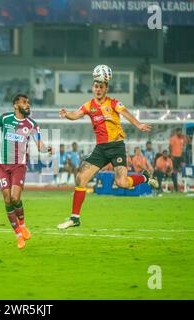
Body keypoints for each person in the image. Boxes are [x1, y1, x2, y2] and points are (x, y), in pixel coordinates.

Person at [57, 65, 158, 229]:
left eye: (101, 86)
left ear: (106, 88)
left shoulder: (113, 103)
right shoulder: (89, 105)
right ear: (93, 87)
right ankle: (75, 218)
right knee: (80, 178)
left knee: (122, 182)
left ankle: (145, 177)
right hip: (101, 149)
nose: (98, 89)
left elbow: (126, 113)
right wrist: (66, 114)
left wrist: (138, 124)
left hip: (116, 147)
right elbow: (75, 115)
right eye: (96, 86)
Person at [0, 94, 52, 249]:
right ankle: (18, 235)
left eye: (29, 103)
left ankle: (23, 224)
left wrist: (47, 148)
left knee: (14, 197)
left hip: (19, 166)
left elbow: (40, 145)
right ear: (15, 105)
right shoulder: (5, 118)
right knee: (7, 200)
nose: (28, 105)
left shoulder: (31, 124)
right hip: (3, 166)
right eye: (24, 102)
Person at [169, 128, 188, 192]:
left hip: (181, 157)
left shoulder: (182, 138)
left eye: (180, 132)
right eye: (178, 132)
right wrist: (171, 156)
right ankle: (176, 187)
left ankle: (180, 185)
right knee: (174, 171)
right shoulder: (173, 138)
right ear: (176, 132)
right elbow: (170, 147)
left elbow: (188, 142)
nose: (180, 133)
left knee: (181, 170)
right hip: (174, 157)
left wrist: (185, 136)